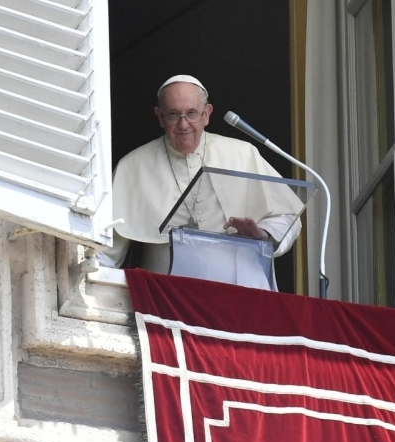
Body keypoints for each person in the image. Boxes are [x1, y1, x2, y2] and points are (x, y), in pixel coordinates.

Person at [97, 75, 301, 289]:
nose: (183, 124)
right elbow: (105, 252)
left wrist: (263, 234)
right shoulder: (133, 166)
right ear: (160, 116)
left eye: (192, 113)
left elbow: (289, 215)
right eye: (173, 115)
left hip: (242, 291)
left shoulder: (243, 154)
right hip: (167, 297)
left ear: (207, 114)